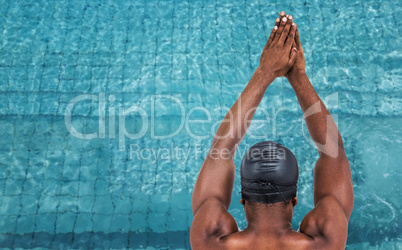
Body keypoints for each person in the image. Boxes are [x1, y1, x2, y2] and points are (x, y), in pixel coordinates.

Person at [190, 11, 354, 249]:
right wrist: (298, 76)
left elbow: (221, 149)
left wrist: (264, 73)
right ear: (294, 201)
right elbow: (334, 153)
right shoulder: (325, 241)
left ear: (243, 201)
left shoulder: (209, 241)